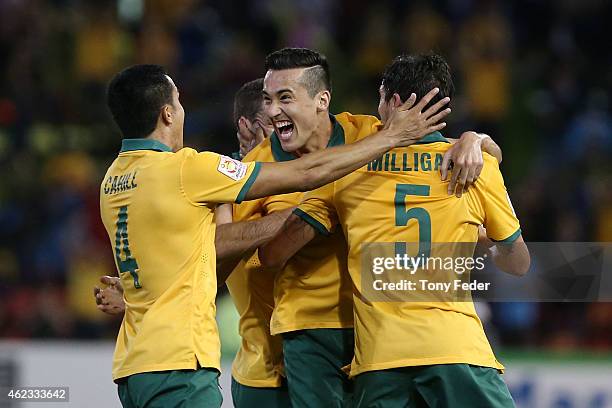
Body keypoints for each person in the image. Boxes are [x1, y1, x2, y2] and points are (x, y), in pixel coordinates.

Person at [100, 63, 448, 408]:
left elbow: (177, 252)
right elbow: (307, 173)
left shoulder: (112, 181)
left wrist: (477, 142)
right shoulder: (187, 170)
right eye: (178, 102)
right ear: (167, 114)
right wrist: (386, 142)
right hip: (183, 363)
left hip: (135, 363)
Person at [259, 54, 530, 408]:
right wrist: (484, 240)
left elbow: (273, 254)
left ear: (394, 102)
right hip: (455, 348)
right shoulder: (476, 167)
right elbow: (519, 263)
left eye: (380, 98)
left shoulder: (347, 168)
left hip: (380, 359)